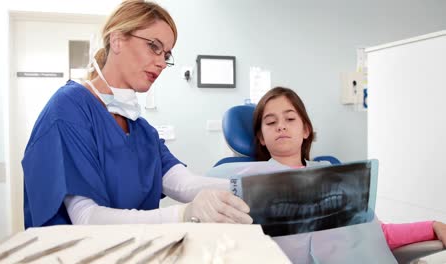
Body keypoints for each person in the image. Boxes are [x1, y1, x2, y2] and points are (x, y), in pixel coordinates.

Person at [22, 0, 252, 228]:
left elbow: (184, 183)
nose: (162, 63)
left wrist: (254, 188)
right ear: (118, 39)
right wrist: (183, 215)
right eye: (154, 46)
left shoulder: (142, 130)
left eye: (167, 54)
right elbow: (86, 218)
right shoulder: (68, 109)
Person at [251, 86, 446, 250]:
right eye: (271, 122)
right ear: (261, 137)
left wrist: (431, 227)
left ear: (306, 130)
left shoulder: (332, 176)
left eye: (290, 119)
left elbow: (376, 233)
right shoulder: (249, 181)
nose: (281, 126)